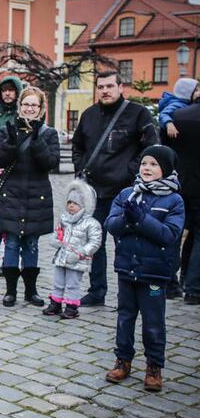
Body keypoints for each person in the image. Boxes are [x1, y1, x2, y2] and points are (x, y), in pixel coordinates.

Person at [72, 70, 160, 307]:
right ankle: (97, 291)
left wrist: (131, 172)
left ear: (121, 87)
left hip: (126, 193)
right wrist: (81, 167)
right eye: (100, 87)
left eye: (110, 86)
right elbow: (78, 146)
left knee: (127, 244)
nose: (105, 91)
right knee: (95, 243)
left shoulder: (137, 114)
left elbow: (150, 147)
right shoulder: (89, 115)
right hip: (94, 193)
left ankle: (129, 294)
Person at [104, 145, 184, 393]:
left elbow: (169, 235)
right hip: (127, 268)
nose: (147, 168)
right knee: (125, 317)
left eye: (153, 164)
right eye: (144, 163)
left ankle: (154, 366)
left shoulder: (174, 200)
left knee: (153, 322)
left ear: (166, 169)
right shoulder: (128, 193)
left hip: (154, 272)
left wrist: (141, 219)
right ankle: (123, 359)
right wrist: (128, 218)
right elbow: (111, 224)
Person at [0, 86, 60, 308]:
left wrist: (37, 137)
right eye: (26, 104)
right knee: (11, 243)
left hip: (37, 197)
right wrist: (13, 141)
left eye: (34, 105)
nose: (29, 109)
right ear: (20, 107)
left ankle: (31, 291)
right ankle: (10, 291)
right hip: (12, 194)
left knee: (31, 244)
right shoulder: (7, 130)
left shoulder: (49, 134)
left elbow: (51, 163)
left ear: (40, 109)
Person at [44, 180, 102, 319]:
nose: (71, 206)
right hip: (62, 257)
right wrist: (56, 240)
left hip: (76, 260)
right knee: (58, 282)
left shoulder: (91, 223)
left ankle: (72, 306)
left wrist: (81, 253)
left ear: (83, 205)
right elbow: (58, 233)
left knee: (72, 284)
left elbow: (95, 242)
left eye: (75, 203)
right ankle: (56, 303)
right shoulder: (64, 219)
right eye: (69, 203)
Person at [172, 99, 200, 304]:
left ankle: (170, 284)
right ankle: (193, 289)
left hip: (179, 182)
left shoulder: (179, 115)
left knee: (175, 233)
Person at [157, 77, 199, 143]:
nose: (199, 93)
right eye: (196, 91)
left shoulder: (186, 103)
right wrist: (169, 123)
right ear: (187, 92)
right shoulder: (177, 104)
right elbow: (164, 113)